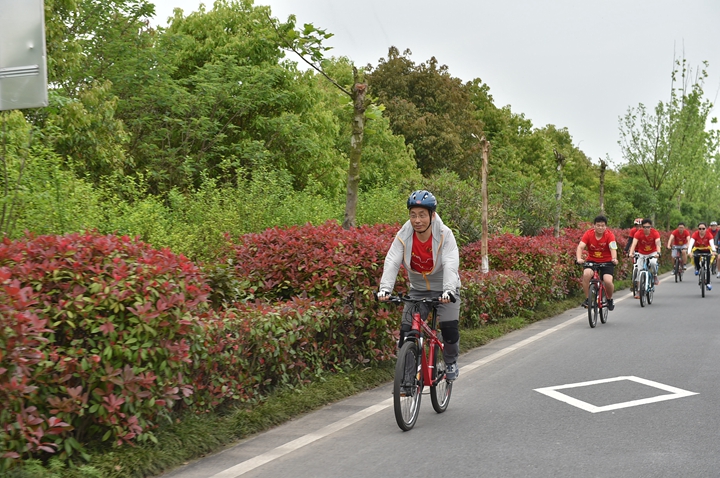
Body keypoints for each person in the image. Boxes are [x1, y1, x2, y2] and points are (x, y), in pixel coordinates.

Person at [378, 190, 461, 381]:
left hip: (445, 289)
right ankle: (407, 380)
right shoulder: (404, 235)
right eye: (413, 215)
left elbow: (450, 263)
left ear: (432, 215)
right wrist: (385, 289)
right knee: (406, 332)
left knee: (449, 328)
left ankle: (450, 362)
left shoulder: (445, 234)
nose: (417, 220)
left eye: (422, 215)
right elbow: (392, 261)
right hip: (417, 290)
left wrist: (449, 290)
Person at [576, 215, 619, 310]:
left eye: (602, 226)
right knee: (586, 274)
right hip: (592, 260)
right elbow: (580, 247)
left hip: (607, 261)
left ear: (605, 226)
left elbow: (613, 248)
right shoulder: (588, 234)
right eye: (598, 225)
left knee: (608, 281)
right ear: (594, 226)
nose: (600, 228)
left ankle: (609, 299)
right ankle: (588, 299)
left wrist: (614, 259)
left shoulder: (610, 235)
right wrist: (579, 258)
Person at [628, 218, 662, 296]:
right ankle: (639, 290)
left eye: (648, 227)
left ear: (651, 227)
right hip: (642, 253)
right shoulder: (638, 233)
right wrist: (631, 253)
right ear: (642, 227)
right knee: (639, 270)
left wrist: (658, 253)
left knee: (653, 263)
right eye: (644, 227)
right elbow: (634, 244)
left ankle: (655, 275)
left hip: (652, 252)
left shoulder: (655, 233)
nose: (646, 229)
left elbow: (658, 243)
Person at [687, 222, 717, 290]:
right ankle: (697, 268)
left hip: (707, 249)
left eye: (703, 228)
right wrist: (689, 252)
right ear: (698, 229)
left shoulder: (709, 234)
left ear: (706, 229)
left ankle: (708, 283)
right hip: (698, 249)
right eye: (700, 229)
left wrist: (714, 251)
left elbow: (712, 244)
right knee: (696, 256)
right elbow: (691, 244)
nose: (701, 230)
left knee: (708, 267)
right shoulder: (695, 234)